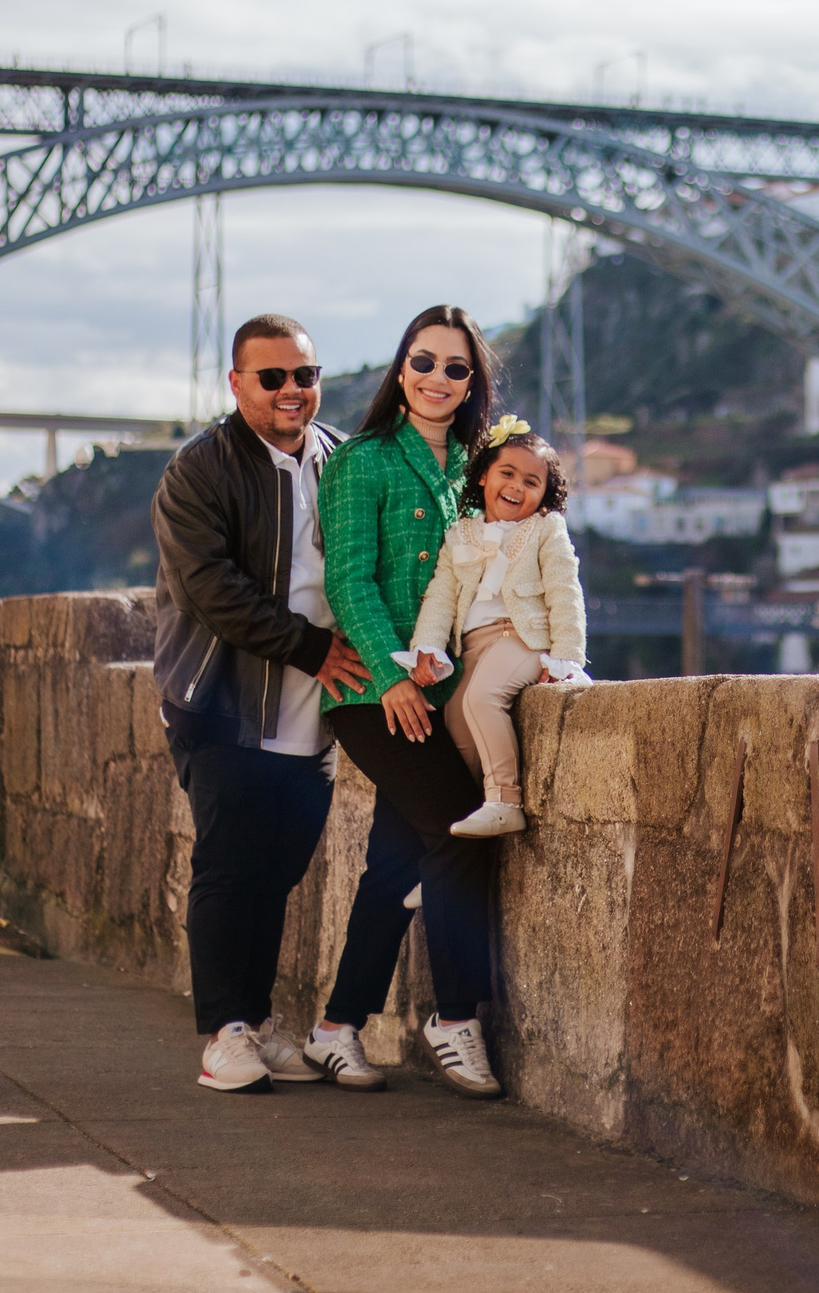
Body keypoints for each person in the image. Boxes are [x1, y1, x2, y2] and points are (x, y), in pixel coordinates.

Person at [150, 313, 389, 1094]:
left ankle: (254, 1019)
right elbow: (214, 591)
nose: (294, 391)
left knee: (278, 871)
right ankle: (223, 1034)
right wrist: (317, 649)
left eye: (306, 375)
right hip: (224, 700)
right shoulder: (199, 470)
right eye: (273, 377)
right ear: (237, 383)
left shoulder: (343, 461)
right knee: (227, 867)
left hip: (314, 712)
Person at [314, 304, 510, 1099]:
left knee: (397, 861)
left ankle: (335, 1027)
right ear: (401, 369)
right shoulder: (363, 460)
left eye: (455, 368)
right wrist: (390, 677)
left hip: (446, 690)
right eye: (423, 362)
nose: (437, 378)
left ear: (472, 385)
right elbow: (348, 579)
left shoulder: (478, 468)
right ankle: (453, 1014)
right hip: (372, 689)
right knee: (466, 824)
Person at [399, 416, 588, 838]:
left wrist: (565, 658)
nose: (517, 486)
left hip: (521, 638)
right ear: (484, 475)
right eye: (507, 473)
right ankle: (446, 856)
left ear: (545, 495)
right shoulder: (460, 533)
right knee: (457, 728)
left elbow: (564, 591)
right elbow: (441, 596)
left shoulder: (544, 530)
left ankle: (505, 800)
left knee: (483, 700)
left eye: (532, 482)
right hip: (473, 646)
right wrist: (427, 646)